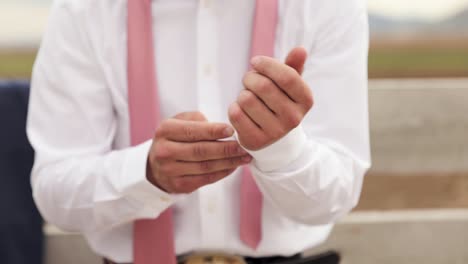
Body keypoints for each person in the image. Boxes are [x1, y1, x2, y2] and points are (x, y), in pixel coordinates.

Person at [27, 0, 370, 263]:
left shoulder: (327, 6)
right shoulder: (85, 9)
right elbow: (54, 192)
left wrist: (282, 149)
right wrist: (145, 173)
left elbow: (336, 196)